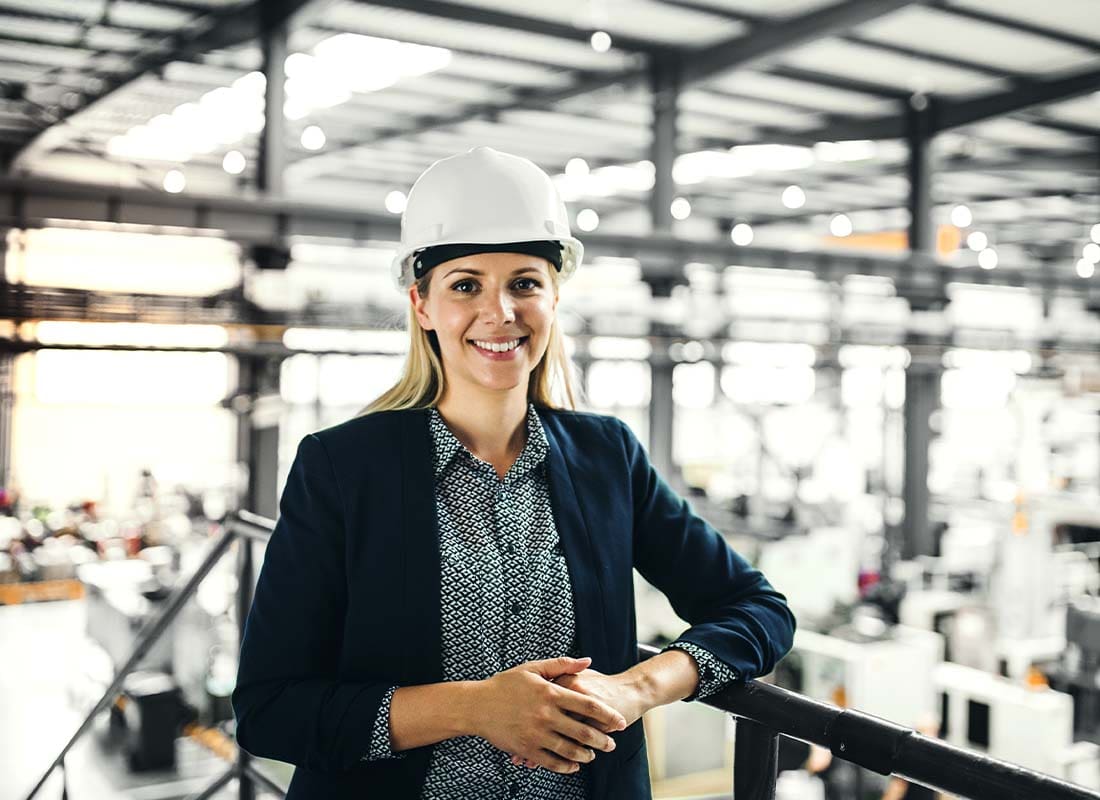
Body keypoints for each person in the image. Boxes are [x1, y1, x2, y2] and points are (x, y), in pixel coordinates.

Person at [232, 146, 796, 800]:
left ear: (554, 296)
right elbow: (271, 708)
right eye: (466, 284)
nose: (500, 311)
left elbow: (757, 610)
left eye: (524, 282)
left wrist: (637, 687)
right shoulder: (343, 469)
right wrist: (473, 708)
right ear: (422, 304)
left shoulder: (606, 457)